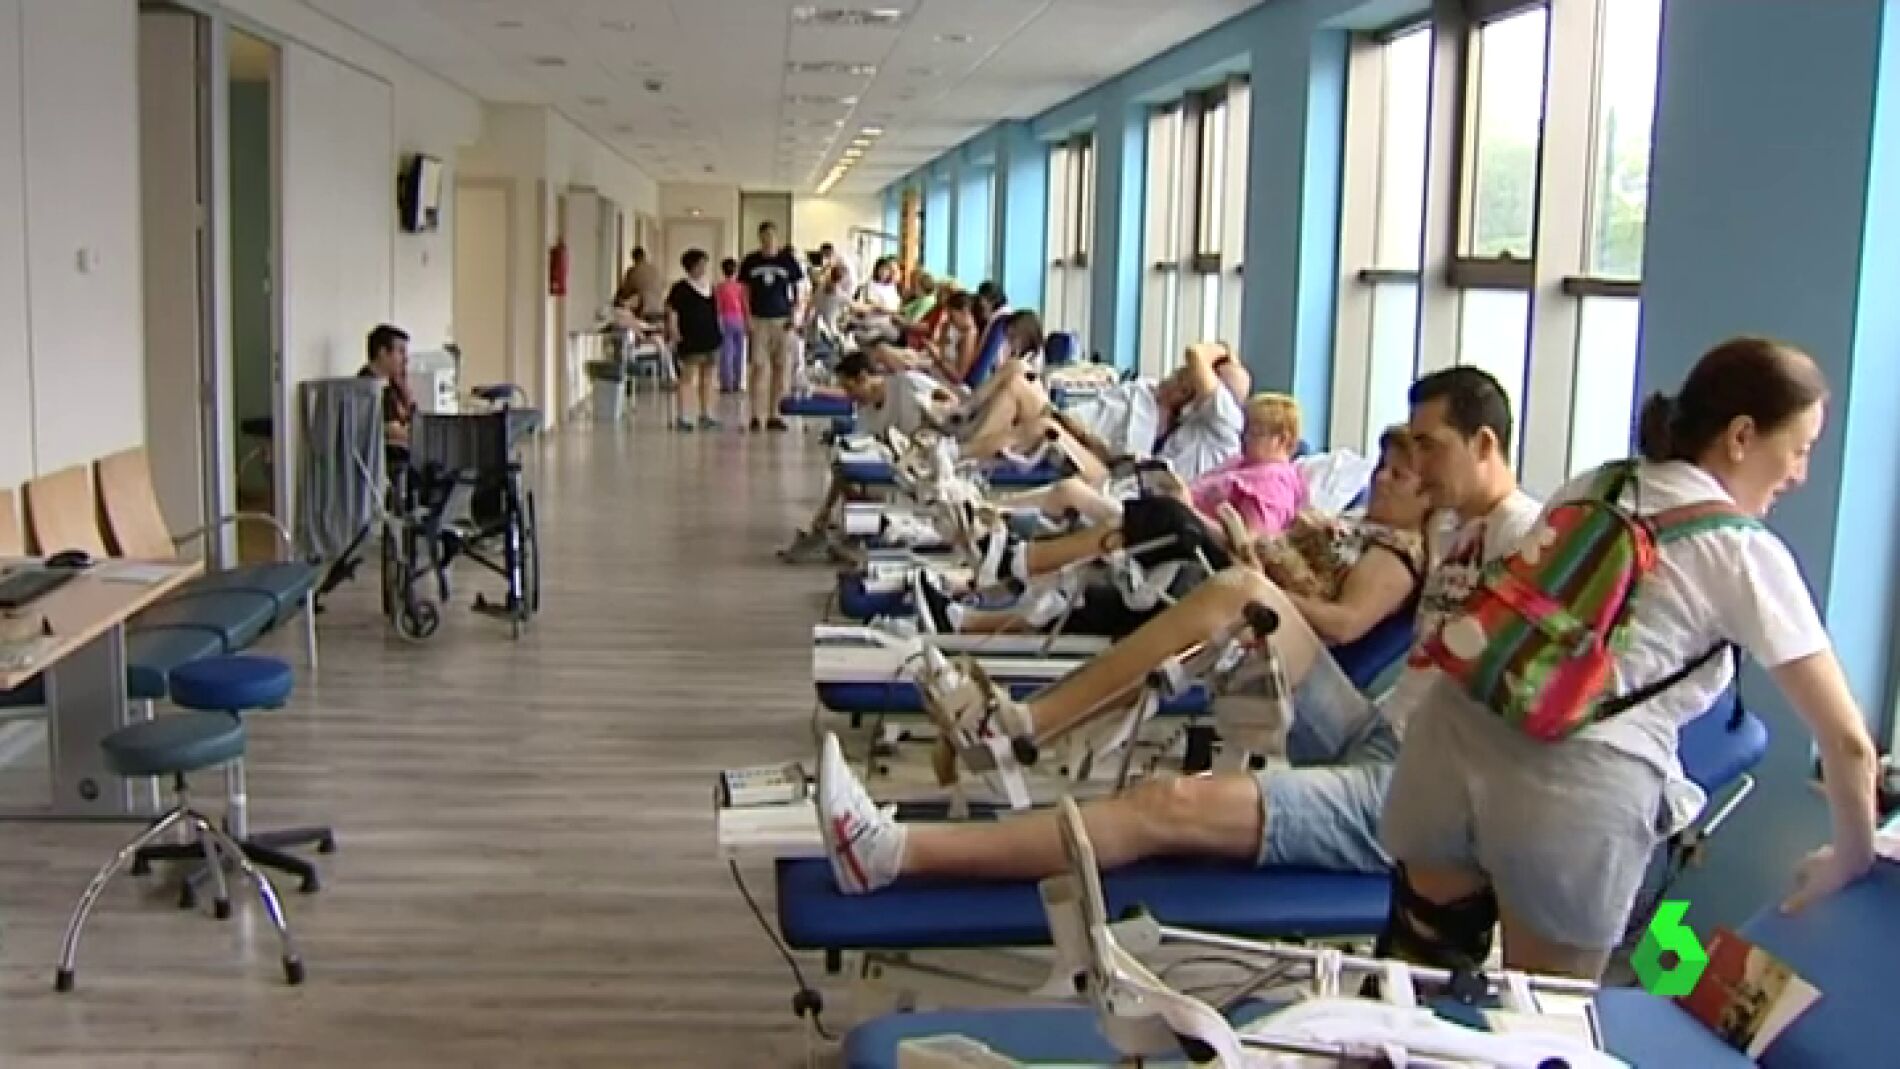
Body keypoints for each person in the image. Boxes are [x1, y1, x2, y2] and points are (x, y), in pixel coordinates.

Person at [815, 366, 1541, 896]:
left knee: (1170, 801)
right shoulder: (1453, 526)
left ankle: (890, 852)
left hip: (1410, 793)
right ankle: (1021, 725)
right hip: (1379, 729)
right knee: (1237, 590)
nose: (1412, 466)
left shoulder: (1525, 538)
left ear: (1484, 445)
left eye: (1429, 446)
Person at [1380, 338, 1879, 982]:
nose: (1800, 474)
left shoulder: (1597, 483)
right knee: (1546, 1016)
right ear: (1741, 437)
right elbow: (1848, 743)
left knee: (1416, 984)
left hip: (1448, 738)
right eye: (1800, 449)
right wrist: (1851, 856)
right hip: (1569, 789)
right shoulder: (1741, 551)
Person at [779, 352, 955, 563]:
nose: (849, 396)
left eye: (850, 388)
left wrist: (933, 424)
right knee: (845, 469)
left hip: (941, 461)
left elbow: (952, 400)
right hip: (907, 470)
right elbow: (846, 466)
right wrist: (826, 508)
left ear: (863, 377)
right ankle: (857, 533)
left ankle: (874, 532)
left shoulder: (907, 383)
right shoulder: (866, 415)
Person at [740, 221, 805, 432]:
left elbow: (799, 290)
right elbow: (744, 292)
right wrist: (747, 316)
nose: (768, 240)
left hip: (782, 319)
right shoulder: (751, 261)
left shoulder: (788, 261)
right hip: (759, 319)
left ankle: (774, 414)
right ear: (760, 238)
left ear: (777, 237)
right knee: (758, 367)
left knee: (781, 367)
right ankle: (755, 414)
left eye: (771, 236)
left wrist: (795, 315)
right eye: (764, 236)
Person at [664, 250, 723, 431]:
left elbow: (715, 312)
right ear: (691, 266)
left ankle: (705, 414)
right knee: (687, 377)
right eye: (700, 264)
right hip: (690, 338)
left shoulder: (709, 288)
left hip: (710, 336)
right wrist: (674, 330)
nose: (703, 268)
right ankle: (682, 416)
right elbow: (672, 311)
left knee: (708, 377)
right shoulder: (680, 288)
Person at [358, 323, 415, 448]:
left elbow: (414, 420)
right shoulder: (366, 388)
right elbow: (394, 432)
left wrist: (406, 395)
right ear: (382, 352)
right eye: (401, 352)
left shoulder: (393, 386)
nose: (406, 359)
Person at [714, 258, 748, 394]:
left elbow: (717, 307)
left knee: (726, 353)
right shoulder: (741, 287)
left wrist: (718, 321)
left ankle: (726, 383)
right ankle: (738, 383)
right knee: (740, 353)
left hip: (726, 319)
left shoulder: (719, 287)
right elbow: (745, 305)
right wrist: (747, 320)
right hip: (740, 319)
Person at [614, 247, 664, 321]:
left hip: (644, 312)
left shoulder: (633, 271)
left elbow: (625, 292)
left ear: (634, 258)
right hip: (659, 310)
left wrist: (617, 300)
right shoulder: (655, 270)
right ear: (644, 256)